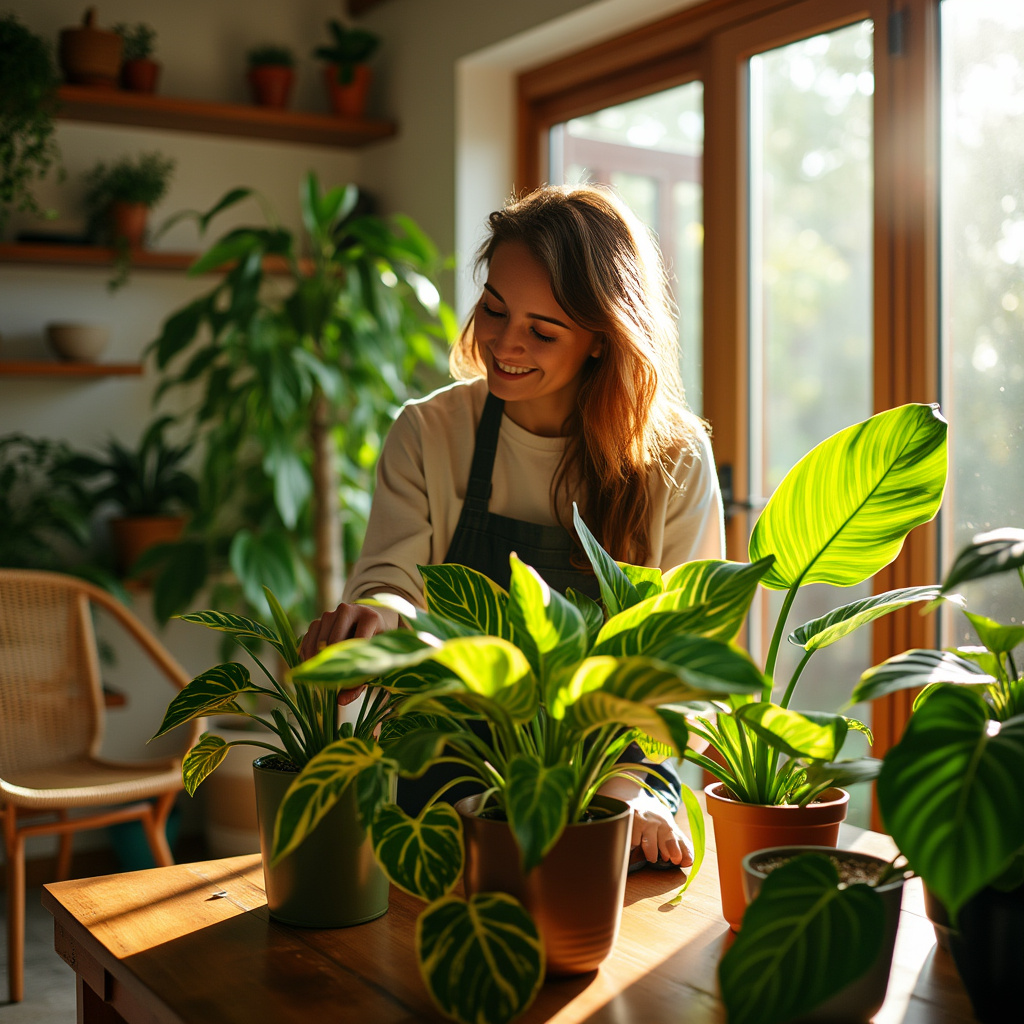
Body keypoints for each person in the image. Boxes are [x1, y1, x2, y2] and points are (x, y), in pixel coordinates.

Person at [300, 183, 725, 870]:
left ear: (602, 339)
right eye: (494, 308)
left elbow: (682, 667)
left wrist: (626, 795)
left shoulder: (674, 458)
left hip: (615, 785)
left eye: (542, 330)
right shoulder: (430, 432)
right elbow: (392, 581)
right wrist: (374, 624)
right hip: (448, 773)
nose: (502, 343)